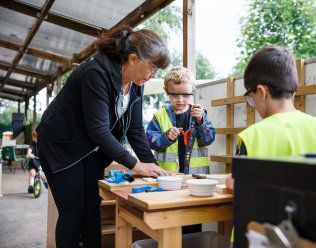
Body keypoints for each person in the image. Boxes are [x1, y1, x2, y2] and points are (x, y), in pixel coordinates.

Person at [36, 26, 174, 248]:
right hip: (60, 144)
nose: (154, 75)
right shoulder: (95, 73)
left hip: (89, 146)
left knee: (92, 207)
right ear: (133, 59)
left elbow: (135, 130)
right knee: (73, 211)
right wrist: (135, 165)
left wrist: (154, 167)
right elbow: (99, 130)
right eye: (152, 68)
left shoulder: (136, 85)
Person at [225, 46, 316, 247]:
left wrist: (232, 182)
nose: (252, 103)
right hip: (308, 237)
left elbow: (239, 186)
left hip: (258, 237)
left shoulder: (253, 135)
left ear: (262, 92)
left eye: (250, 97)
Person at [146, 67, 215, 174]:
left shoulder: (200, 114)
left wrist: (200, 123)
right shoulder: (159, 116)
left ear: (193, 90)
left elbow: (208, 140)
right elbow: (150, 143)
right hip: (167, 176)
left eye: (186, 95)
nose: (180, 100)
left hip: (197, 177)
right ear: (166, 91)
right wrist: (166, 137)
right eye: (174, 95)